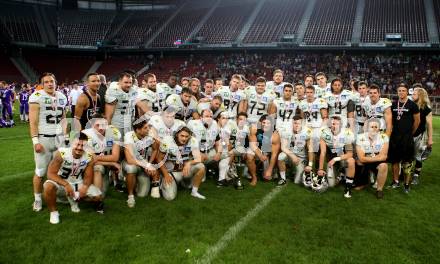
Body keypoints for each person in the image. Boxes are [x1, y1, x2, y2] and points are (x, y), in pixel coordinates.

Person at [43, 132, 103, 224]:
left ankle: (74, 200)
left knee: (98, 197)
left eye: (82, 145)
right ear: (71, 143)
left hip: (77, 183)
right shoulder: (62, 153)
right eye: (77, 144)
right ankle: (54, 213)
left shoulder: (89, 157)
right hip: (61, 183)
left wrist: (85, 187)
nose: (79, 147)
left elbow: (88, 176)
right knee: (48, 186)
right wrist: (66, 184)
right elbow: (50, 174)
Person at [29, 73, 68, 212]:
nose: (50, 84)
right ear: (42, 84)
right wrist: (35, 141)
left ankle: (58, 195)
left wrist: (66, 136)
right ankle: (38, 199)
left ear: (56, 82)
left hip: (59, 139)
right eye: (46, 82)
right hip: (43, 138)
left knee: (60, 170)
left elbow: (63, 118)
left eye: (52, 81)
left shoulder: (62, 96)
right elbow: (33, 122)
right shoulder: (37, 96)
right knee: (40, 171)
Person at [157, 126, 206, 200]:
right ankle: (163, 181)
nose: (184, 139)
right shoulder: (167, 140)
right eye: (182, 136)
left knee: (201, 166)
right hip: (171, 172)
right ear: (177, 134)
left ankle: (194, 192)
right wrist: (166, 174)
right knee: (169, 197)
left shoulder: (192, 140)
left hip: (184, 170)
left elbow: (199, 158)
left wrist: (189, 163)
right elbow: (159, 158)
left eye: (186, 136)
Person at [388, 83, 420, 193]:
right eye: (399, 90)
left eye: (403, 90)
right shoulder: (393, 104)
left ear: (407, 92)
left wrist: (410, 132)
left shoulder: (412, 105)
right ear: (397, 92)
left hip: (407, 138)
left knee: (407, 163)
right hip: (395, 137)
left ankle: (406, 184)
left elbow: (417, 121)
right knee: (395, 161)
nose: (401, 92)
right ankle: (395, 181)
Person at [123, 118, 160, 207]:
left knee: (142, 194)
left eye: (148, 127)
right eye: (145, 128)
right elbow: (130, 159)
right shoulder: (129, 136)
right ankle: (130, 196)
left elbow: (155, 149)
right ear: (138, 130)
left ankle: (134, 182)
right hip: (132, 163)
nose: (148, 129)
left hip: (144, 163)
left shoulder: (150, 135)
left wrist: (150, 163)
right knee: (131, 168)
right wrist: (147, 165)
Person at [82, 113, 121, 194]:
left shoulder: (114, 132)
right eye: (97, 125)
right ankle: (97, 200)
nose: (101, 128)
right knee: (98, 167)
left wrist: (96, 157)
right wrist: (112, 163)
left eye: (103, 125)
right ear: (92, 125)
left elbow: (115, 157)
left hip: (105, 164)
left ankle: (110, 180)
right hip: (87, 166)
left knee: (103, 191)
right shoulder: (85, 135)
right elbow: (90, 161)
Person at [317, 116, 355, 198]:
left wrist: (336, 159)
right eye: (333, 123)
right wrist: (320, 169)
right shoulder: (324, 133)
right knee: (331, 185)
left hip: (343, 158)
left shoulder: (347, 134)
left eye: (337, 124)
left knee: (351, 161)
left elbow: (350, 154)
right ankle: (341, 175)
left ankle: (348, 187)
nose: (334, 126)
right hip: (331, 158)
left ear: (341, 125)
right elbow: (323, 152)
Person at [355, 118, 389, 199]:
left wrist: (369, 157)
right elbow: (361, 158)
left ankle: (379, 190)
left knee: (384, 165)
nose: (374, 128)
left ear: (379, 128)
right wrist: (377, 157)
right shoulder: (360, 137)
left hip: (373, 160)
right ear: (367, 128)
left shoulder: (384, 137)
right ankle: (363, 182)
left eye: (376, 127)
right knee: (359, 161)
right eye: (371, 127)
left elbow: (384, 156)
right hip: (366, 161)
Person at [278, 116, 314, 186]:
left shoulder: (307, 132)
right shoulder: (286, 130)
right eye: (295, 123)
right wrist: (292, 156)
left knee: (297, 181)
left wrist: (310, 165)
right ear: (292, 123)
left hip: (301, 158)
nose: (297, 125)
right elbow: (283, 147)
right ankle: (283, 178)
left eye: (299, 123)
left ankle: (292, 171)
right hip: (290, 155)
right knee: (281, 156)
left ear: (302, 124)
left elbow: (310, 149)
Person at [248, 115, 281, 185]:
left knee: (267, 177)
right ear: (260, 123)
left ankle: (273, 170)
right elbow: (252, 145)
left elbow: (274, 154)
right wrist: (260, 155)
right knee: (249, 156)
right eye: (264, 123)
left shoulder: (275, 135)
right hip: (256, 148)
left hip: (267, 151)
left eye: (268, 123)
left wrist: (270, 170)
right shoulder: (254, 128)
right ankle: (254, 177)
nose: (266, 125)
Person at [410, 86, 433, 185]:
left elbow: (429, 125)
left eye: (414, 94)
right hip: (408, 134)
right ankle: (405, 173)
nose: (412, 95)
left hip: (419, 135)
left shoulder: (426, 108)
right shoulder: (410, 105)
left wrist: (430, 139)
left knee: (418, 156)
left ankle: (416, 175)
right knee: (407, 155)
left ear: (420, 95)